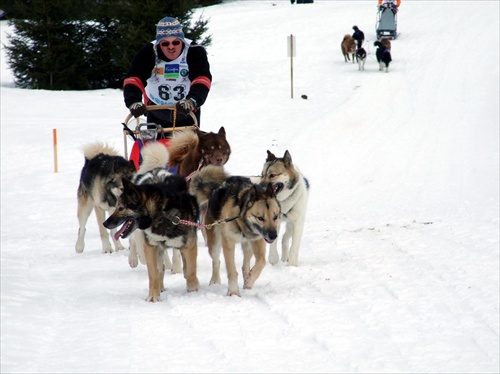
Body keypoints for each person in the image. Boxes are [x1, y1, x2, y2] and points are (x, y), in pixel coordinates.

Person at [123, 16, 212, 133]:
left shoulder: (194, 51)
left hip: (186, 112)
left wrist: (192, 101)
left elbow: (202, 78)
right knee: (157, 150)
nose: (171, 47)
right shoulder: (149, 52)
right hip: (156, 109)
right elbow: (133, 79)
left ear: (182, 41)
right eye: (165, 44)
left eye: (176, 42)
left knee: (187, 150)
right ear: (159, 43)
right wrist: (134, 101)